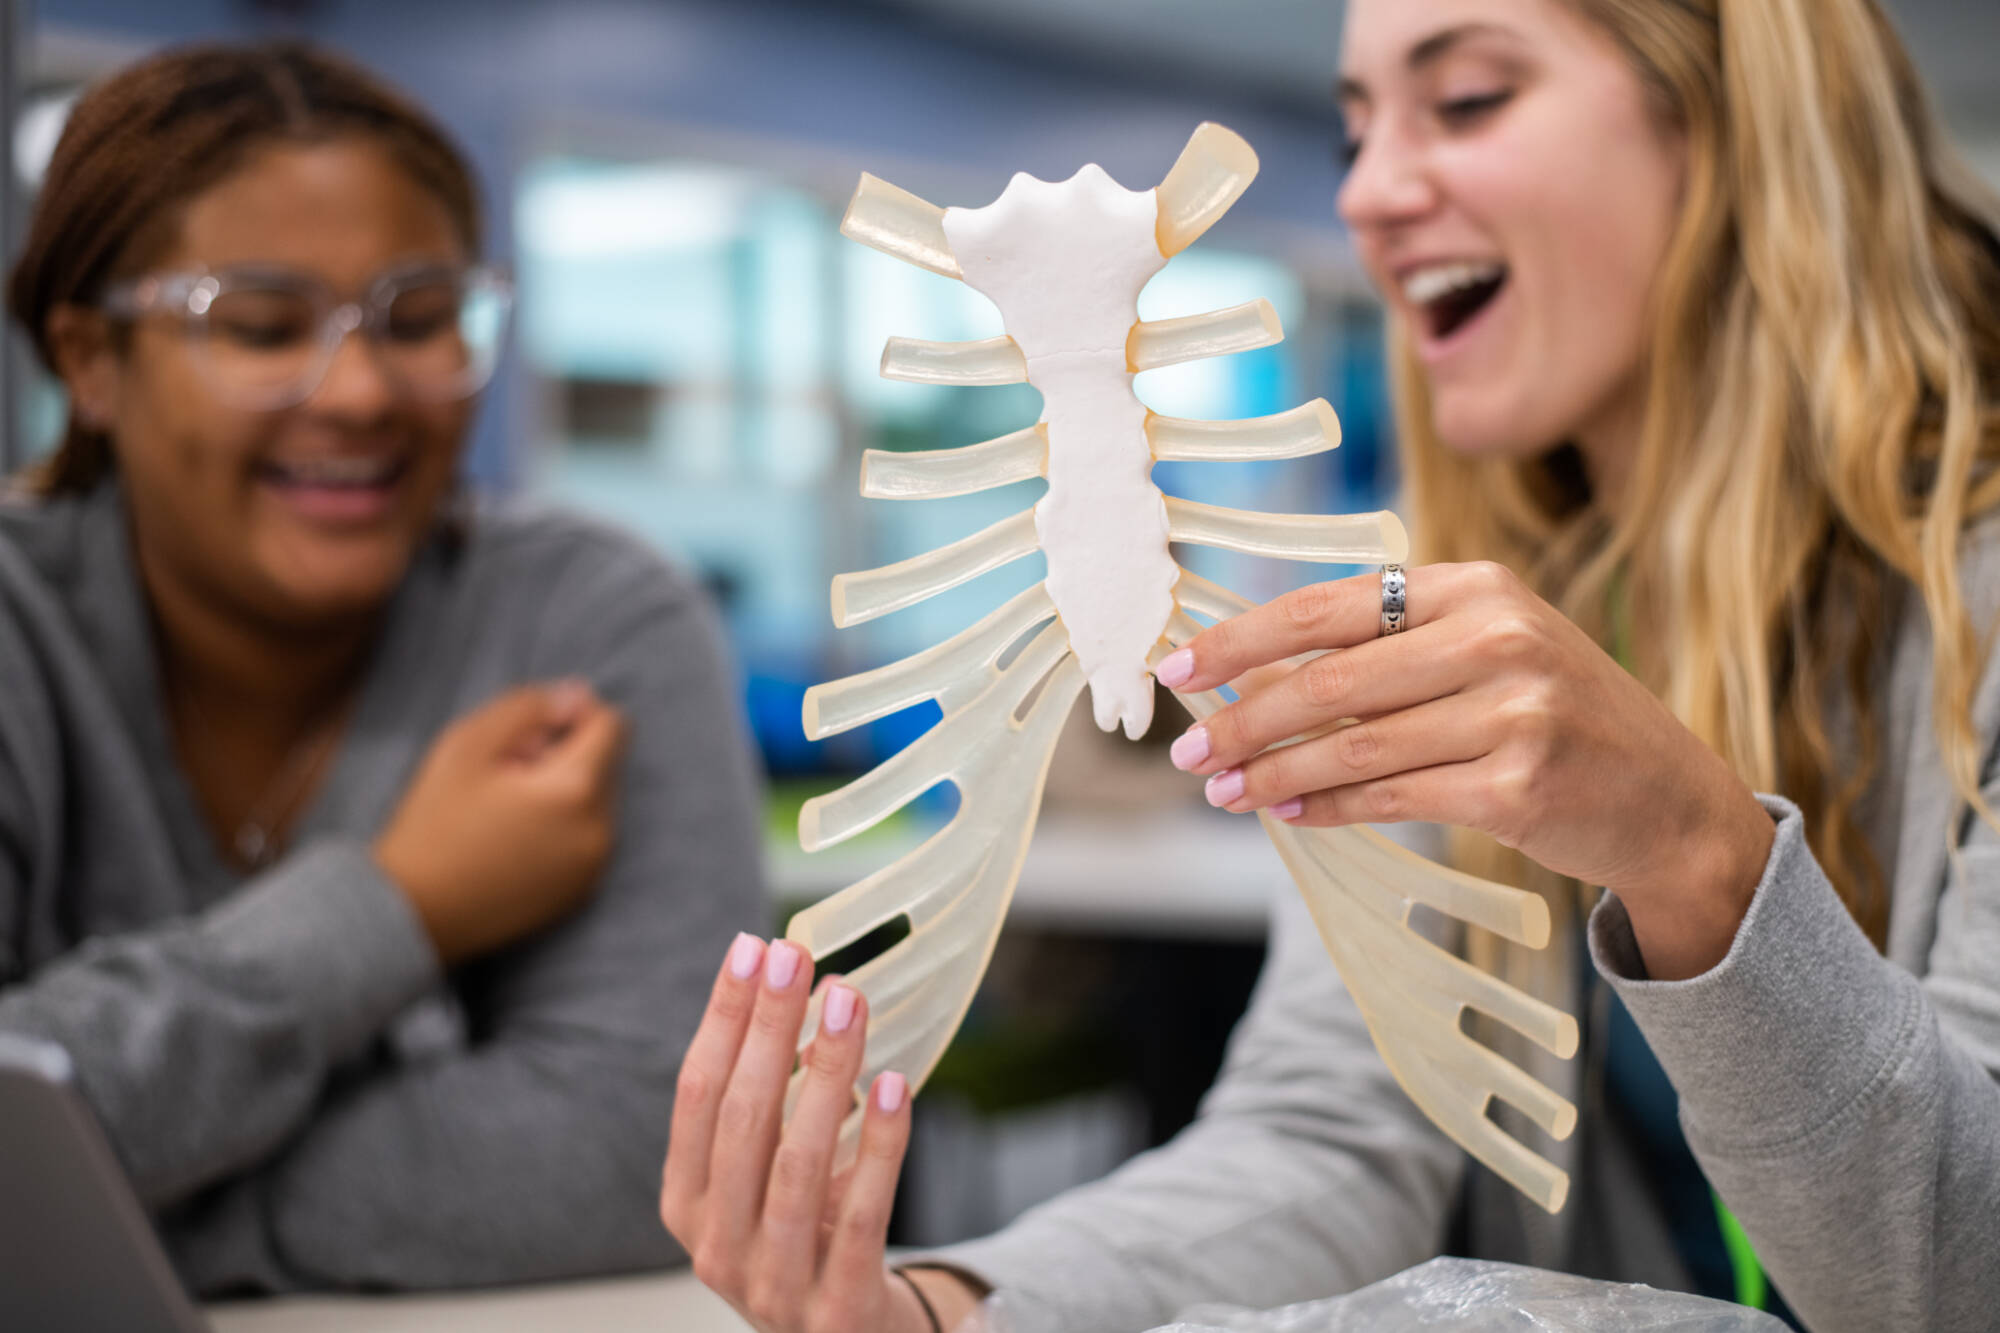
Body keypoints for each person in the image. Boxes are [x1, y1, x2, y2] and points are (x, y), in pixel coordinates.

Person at [661, 0, 2000, 1330]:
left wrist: (1700, 860)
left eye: (1468, 99)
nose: (1368, 195)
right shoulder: (1463, 613)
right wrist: (957, 1307)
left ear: (1735, 129)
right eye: (1356, 129)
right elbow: (1342, 1133)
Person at [0, 42, 764, 1293]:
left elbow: (650, 1144)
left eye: (418, 319)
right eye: (258, 325)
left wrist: (104, 1210)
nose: (358, 390)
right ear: (89, 362)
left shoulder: (590, 619)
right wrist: (397, 903)